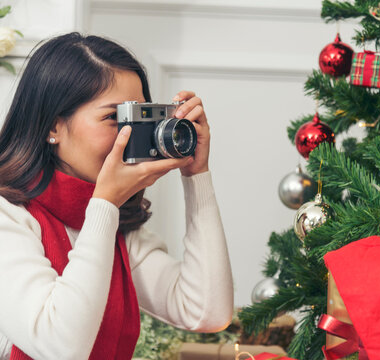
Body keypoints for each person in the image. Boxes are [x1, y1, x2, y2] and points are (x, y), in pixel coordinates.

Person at [0, 32, 233, 360]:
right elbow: (60, 347)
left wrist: (197, 176)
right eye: (114, 118)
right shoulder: (8, 217)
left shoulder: (112, 224)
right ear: (53, 127)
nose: (129, 135)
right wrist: (105, 203)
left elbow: (207, 311)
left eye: (137, 117)